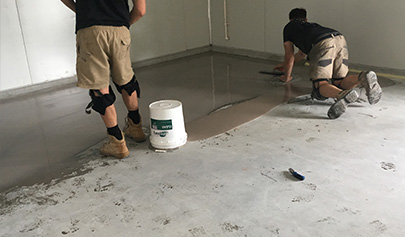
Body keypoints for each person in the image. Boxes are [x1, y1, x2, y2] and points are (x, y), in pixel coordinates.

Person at [61, 0, 147, 159]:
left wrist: (79, 10)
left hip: (91, 30)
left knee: (99, 88)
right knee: (126, 81)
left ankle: (117, 142)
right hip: (119, 30)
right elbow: (140, 10)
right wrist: (123, 23)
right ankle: (136, 127)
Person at [275, 8, 382, 119]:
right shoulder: (311, 27)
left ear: (290, 19)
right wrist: (284, 65)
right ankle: (363, 77)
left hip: (322, 43)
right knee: (338, 82)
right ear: (305, 19)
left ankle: (342, 95)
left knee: (320, 86)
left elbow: (289, 56)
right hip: (339, 39)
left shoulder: (289, 28)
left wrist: (287, 77)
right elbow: (301, 54)